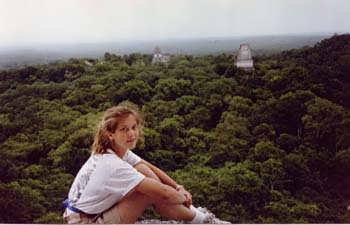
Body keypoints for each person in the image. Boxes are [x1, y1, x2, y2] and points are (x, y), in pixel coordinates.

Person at [63, 102, 229, 224]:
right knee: (150, 191)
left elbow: (148, 166)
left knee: (143, 170)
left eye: (133, 127)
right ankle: (203, 221)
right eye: (124, 129)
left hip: (92, 212)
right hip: (84, 221)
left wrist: (178, 187)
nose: (132, 134)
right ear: (110, 134)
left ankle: (193, 216)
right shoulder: (111, 164)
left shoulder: (113, 151)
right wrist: (183, 197)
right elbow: (163, 193)